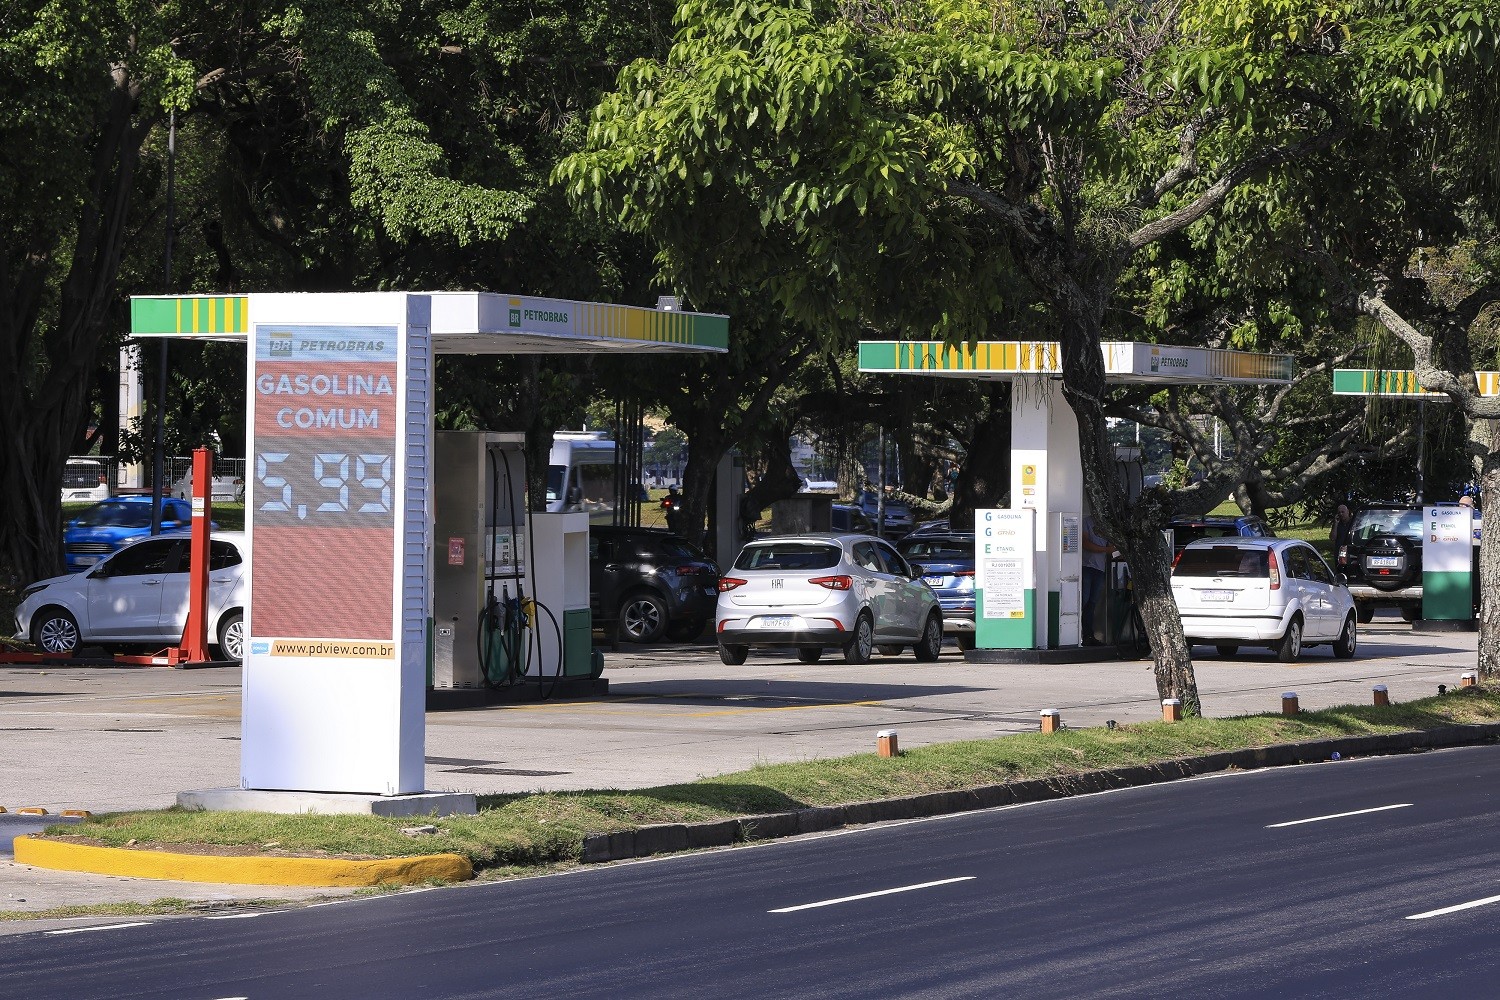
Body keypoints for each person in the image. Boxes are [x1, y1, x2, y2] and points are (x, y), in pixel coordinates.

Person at [1081, 514, 1113, 646]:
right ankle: (1079, 634)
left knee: (1092, 603)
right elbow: (1085, 543)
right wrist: (1106, 550)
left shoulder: (1107, 523)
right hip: (1087, 566)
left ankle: (1088, 635)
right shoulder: (1087, 522)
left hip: (1100, 568)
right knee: (1084, 601)